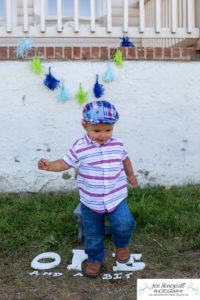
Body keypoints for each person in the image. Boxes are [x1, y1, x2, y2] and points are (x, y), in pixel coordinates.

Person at [38, 100, 138, 278]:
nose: (103, 135)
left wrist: (130, 174)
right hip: (90, 201)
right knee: (92, 234)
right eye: (97, 131)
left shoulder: (118, 144)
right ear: (85, 125)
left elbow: (125, 159)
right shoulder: (80, 147)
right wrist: (50, 165)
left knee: (124, 223)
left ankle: (122, 245)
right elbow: (64, 162)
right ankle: (94, 259)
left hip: (116, 196)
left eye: (108, 130)